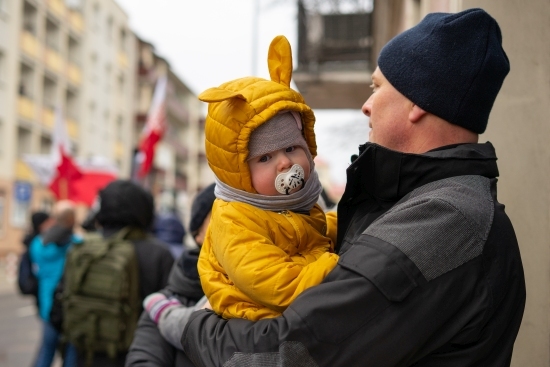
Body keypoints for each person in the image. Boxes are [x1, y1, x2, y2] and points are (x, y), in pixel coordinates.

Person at [181, 8, 526, 367]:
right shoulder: (426, 205)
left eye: (377, 88)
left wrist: (192, 324)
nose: (366, 106)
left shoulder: (443, 222)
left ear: (417, 103)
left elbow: (287, 353)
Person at [74, 180, 174, 366]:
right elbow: (168, 315)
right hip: (136, 355)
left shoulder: (84, 249)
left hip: (86, 353)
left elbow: (61, 305)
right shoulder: (158, 254)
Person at [125, 183, 216, 367]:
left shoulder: (282, 287)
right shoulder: (162, 305)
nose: (237, 224)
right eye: (222, 214)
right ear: (197, 234)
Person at [30, 201, 80, 367]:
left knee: (46, 351)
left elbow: (37, 271)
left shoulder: (37, 244)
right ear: (72, 220)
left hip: (48, 304)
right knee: (71, 353)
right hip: (70, 305)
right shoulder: (76, 244)